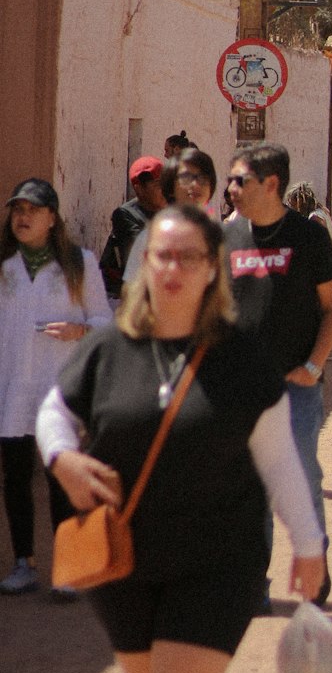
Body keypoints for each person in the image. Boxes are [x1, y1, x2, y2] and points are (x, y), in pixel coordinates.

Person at [36, 203, 326, 673]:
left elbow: (281, 461)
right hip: (124, 555)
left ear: (211, 271)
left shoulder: (242, 360)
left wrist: (308, 543)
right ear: (144, 266)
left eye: (187, 258)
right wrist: (64, 460)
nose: (170, 269)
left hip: (218, 556)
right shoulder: (109, 350)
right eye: (160, 256)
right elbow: (56, 410)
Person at [224, 143, 332, 606]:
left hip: (295, 389)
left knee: (301, 479)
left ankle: (314, 566)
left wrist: (315, 366)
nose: (231, 189)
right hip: (241, 390)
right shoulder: (226, 238)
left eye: (240, 180)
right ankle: (254, 581)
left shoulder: (308, 238)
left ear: (271, 184)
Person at [0, 179, 112, 595]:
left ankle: (70, 568)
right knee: (15, 478)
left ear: (52, 217)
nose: (22, 217)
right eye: (17, 210)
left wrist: (78, 329)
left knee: (61, 478)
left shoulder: (78, 264)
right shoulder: (5, 268)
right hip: (12, 388)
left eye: (32, 210)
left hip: (58, 390)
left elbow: (105, 321)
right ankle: (23, 563)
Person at [122, 149, 218, 287]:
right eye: (186, 177)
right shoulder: (152, 237)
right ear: (170, 186)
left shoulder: (222, 237)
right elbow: (134, 292)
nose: (195, 185)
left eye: (203, 178)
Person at [99, 157, 166, 298]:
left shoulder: (170, 210)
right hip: (120, 295)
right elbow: (141, 256)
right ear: (139, 188)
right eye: (158, 184)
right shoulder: (125, 215)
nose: (164, 190)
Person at [284, 181, 332, 275]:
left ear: (300, 202)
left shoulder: (315, 217)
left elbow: (320, 244)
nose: (291, 207)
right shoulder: (321, 212)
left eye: (292, 204)